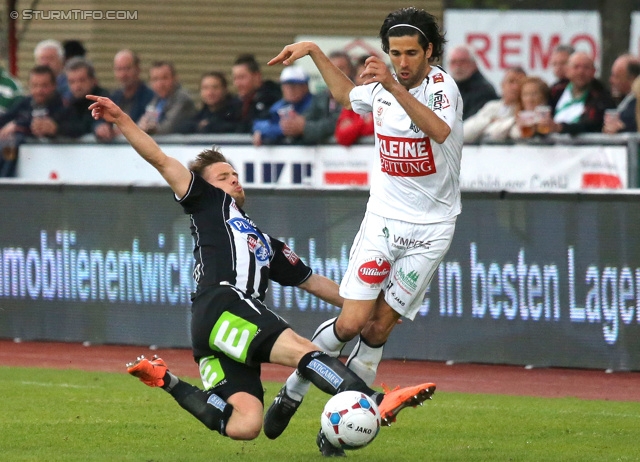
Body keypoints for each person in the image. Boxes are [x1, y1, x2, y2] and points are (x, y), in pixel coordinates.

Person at [86, 93, 435, 451]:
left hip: (211, 329)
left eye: (235, 174)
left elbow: (314, 282)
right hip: (224, 302)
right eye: (223, 176)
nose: (234, 180)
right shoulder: (207, 202)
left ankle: (166, 380)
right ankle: (373, 401)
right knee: (303, 350)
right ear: (204, 185)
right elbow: (160, 159)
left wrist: (371, 305)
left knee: (245, 424)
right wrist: (121, 119)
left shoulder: (265, 243)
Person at [264, 6, 460, 456]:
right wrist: (314, 51)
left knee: (377, 331)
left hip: (431, 230)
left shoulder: (441, 87)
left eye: (412, 53)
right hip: (384, 222)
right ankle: (292, 391)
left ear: (429, 51)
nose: (403, 61)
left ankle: (337, 429)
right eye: (395, 53)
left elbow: (439, 131)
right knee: (352, 321)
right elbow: (348, 95)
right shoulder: (384, 87)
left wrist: (390, 84)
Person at [0, 65, 64, 177]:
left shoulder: (62, 106)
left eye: (44, 86)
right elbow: (6, 118)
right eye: (35, 85)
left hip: (56, 166)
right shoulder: (25, 103)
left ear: (54, 86)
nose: (39, 90)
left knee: (10, 143)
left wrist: (17, 126)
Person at [95, 49, 156, 142]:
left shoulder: (151, 97)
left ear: (138, 69)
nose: (123, 74)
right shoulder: (113, 97)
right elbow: (99, 120)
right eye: (119, 69)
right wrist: (100, 127)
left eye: (127, 69)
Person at [549, 51, 615, 135]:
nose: (581, 72)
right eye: (576, 67)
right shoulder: (556, 91)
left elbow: (592, 125)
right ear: (567, 70)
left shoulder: (601, 96)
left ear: (594, 71)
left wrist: (561, 128)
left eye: (586, 67)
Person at [251, 66, 314, 145]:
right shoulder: (279, 106)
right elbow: (259, 124)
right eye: (286, 85)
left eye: (295, 85)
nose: (290, 90)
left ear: (305, 86)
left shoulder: (314, 104)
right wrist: (280, 129)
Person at [463, 66, 526, 143]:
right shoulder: (492, 106)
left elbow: (495, 135)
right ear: (502, 85)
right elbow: (464, 133)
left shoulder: (526, 110)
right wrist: (489, 121)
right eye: (511, 81)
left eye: (520, 83)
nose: (515, 87)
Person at [137, 61, 197, 135]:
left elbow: (168, 127)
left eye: (164, 78)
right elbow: (145, 122)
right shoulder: (156, 99)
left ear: (175, 78)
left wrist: (150, 129)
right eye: (155, 79)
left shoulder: (182, 99)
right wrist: (142, 126)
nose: (160, 84)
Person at [57, 57, 109, 139]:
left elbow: (90, 124)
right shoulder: (68, 102)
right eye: (72, 82)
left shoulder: (103, 99)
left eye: (82, 80)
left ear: (93, 80)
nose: (77, 86)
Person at [232, 54, 282, 133]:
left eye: (241, 77)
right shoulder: (236, 102)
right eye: (235, 78)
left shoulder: (273, 97)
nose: (237, 83)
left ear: (257, 76)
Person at [447, 44, 498, 119]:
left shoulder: (483, 90)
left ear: (474, 63)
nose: (458, 66)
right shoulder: (451, 86)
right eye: (453, 62)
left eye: (462, 61)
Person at [334, 55, 375, 146]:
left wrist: (354, 126)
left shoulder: (388, 102)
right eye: (363, 76)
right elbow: (342, 137)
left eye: (371, 76)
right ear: (355, 79)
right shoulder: (351, 104)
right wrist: (363, 123)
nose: (367, 81)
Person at [602, 54, 640, 134]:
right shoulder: (621, 101)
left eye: (616, 76)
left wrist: (621, 129)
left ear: (632, 78)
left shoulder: (635, 104)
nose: (611, 80)